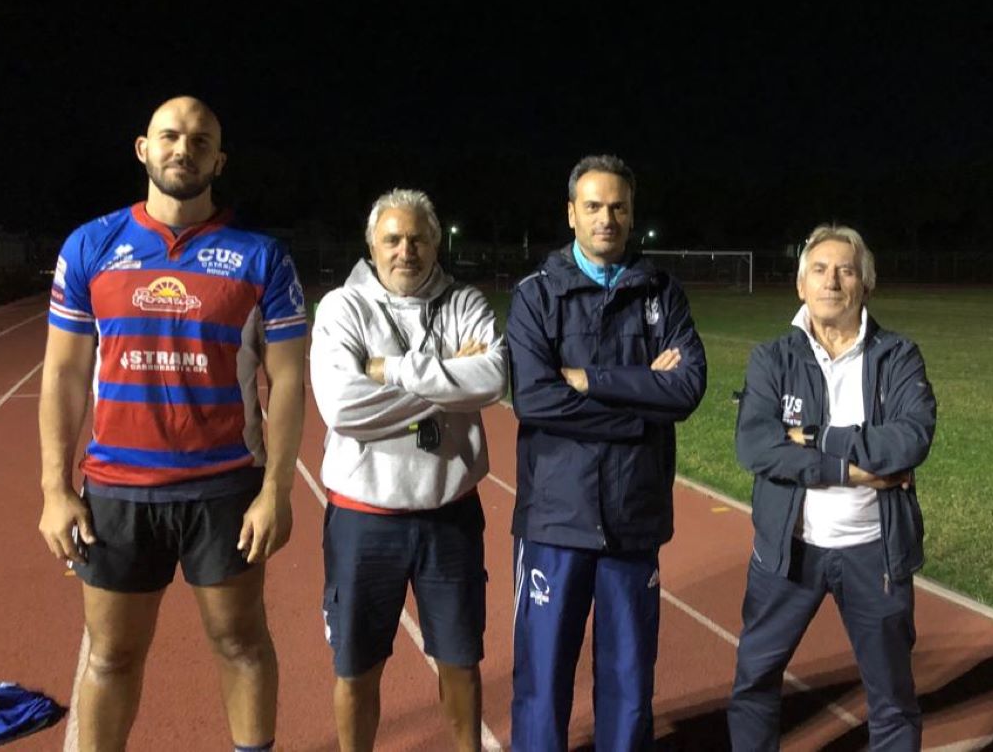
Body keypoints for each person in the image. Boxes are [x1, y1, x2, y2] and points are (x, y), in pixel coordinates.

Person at [38, 97, 307, 752]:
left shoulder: (261, 257)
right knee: (110, 656)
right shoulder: (91, 245)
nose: (183, 148)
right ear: (144, 148)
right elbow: (65, 374)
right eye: (170, 136)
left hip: (224, 488)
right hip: (117, 491)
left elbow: (289, 381)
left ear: (219, 160)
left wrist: (276, 491)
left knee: (241, 642)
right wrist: (54, 489)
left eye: (200, 140)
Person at [507, 154, 707, 751]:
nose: (606, 218)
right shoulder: (535, 296)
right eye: (593, 206)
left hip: (633, 517)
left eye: (618, 207)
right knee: (543, 679)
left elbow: (686, 389)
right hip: (555, 518)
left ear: (632, 213)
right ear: (571, 213)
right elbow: (535, 399)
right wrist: (642, 404)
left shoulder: (663, 293)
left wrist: (590, 380)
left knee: (628, 680)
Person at [310, 188, 507, 752]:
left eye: (417, 239)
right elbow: (344, 407)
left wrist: (389, 371)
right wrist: (448, 379)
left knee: (461, 662)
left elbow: (493, 379)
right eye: (392, 239)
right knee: (356, 667)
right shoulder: (343, 308)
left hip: (450, 517)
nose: (406, 250)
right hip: (364, 519)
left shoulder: (464, 302)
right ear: (372, 245)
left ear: (436, 243)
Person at [728, 224, 936, 752]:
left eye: (846, 270)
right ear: (801, 285)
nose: (832, 281)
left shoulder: (898, 356)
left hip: (874, 552)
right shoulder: (772, 358)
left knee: (892, 699)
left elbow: (910, 439)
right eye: (819, 270)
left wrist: (816, 437)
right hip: (788, 552)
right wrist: (850, 471)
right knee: (755, 681)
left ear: (866, 284)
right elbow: (757, 447)